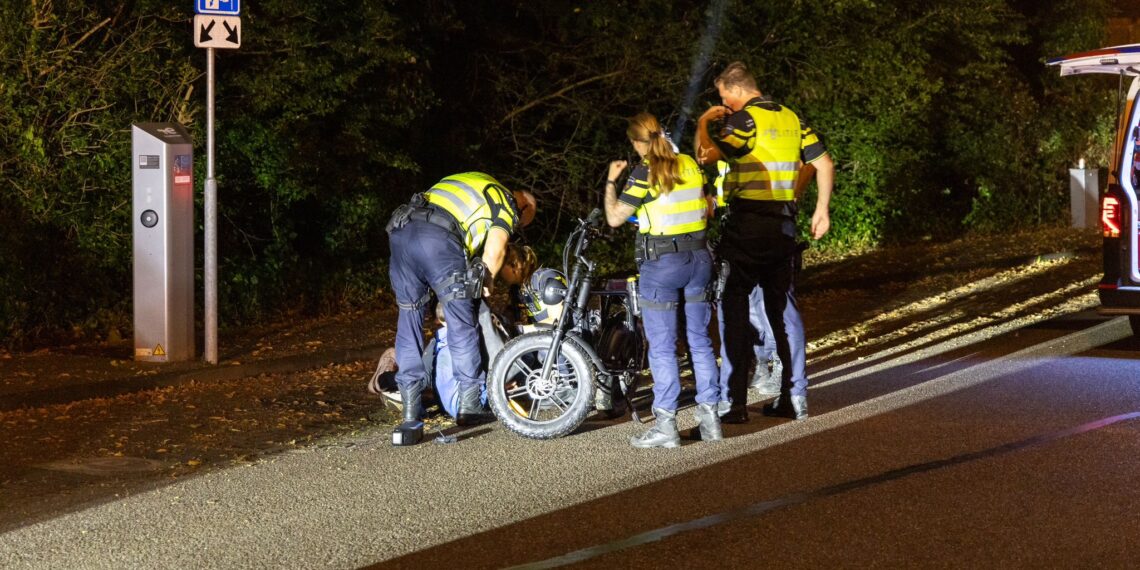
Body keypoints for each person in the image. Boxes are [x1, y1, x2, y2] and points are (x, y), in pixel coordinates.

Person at [700, 61, 834, 422]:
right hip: (783, 228)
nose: (724, 103)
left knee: (734, 310)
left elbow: (709, 155)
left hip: (746, 227)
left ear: (738, 89)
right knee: (784, 310)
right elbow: (823, 163)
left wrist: (704, 125)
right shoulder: (793, 119)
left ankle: (735, 404)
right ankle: (796, 396)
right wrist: (821, 210)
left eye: (725, 95)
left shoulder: (744, 120)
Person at [385, 172, 536, 445]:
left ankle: (410, 413)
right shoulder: (503, 199)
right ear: (522, 205)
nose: (517, 228)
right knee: (461, 321)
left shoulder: (471, 180)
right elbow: (496, 249)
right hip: (438, 239)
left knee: (409, 320)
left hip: (401, 231)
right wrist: (486, 282)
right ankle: (469, 406)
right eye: (521, 223)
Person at [604, 112, 722, 448]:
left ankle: (667, 427)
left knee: (663, 347)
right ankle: (710, 421)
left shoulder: (644, 171)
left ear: (637, 143)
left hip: (663, 264)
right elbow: (707, 208)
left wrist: (612, 182)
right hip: (699, 259)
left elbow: (615, 217)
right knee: (700, 341)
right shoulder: (688, 163)